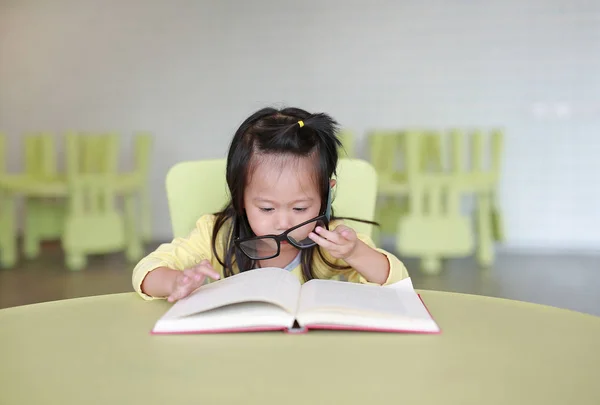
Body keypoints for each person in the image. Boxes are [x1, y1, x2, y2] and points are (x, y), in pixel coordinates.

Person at [132, 106, 409, 302]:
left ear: (327, 195)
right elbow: (146, 270)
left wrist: (355, 252)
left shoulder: (334, 242)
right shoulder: (216, 235)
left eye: (300, 209)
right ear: (240, 197)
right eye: (267, 208)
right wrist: (174, 281)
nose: (284, 222)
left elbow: (398, 285)